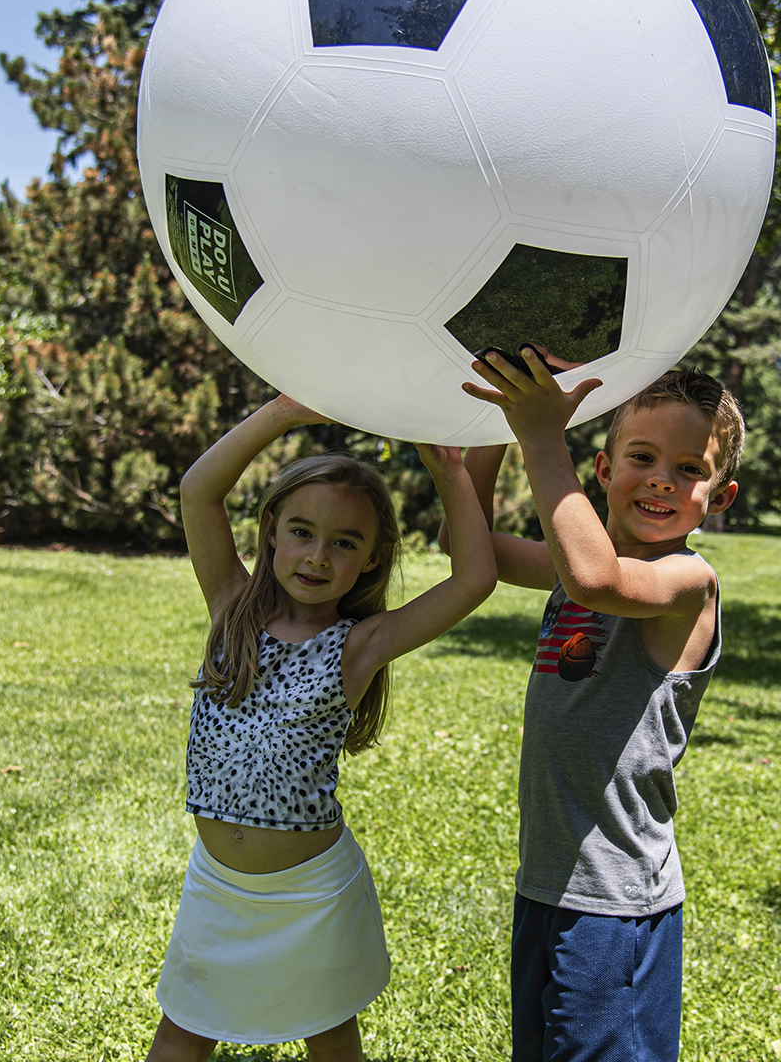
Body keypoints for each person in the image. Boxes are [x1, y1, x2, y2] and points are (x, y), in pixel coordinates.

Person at [147, 394, 496, 1062]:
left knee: (331, 1037)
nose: (317, 555)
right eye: (302, 531)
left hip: (311, 893)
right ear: (271, 528)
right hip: (217, 885)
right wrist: (282, 413)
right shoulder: (231, 606)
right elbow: (198, 491)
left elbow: (475, 577)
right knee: (183, 1029)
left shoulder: (359, 645)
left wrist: (450, 471)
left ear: (371, 558)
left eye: (344, 543)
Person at [448, 354, 744, 1062]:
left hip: (617, 900)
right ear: (606, 473)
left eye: (689, 469)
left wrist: (542, 439)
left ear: (720, 498)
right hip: (550, 880)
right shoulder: (580, 560)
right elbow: (470, 551)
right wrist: (491, 430)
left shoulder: (686, 581)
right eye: (641, 457)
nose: (663, 479)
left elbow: (593, 579)